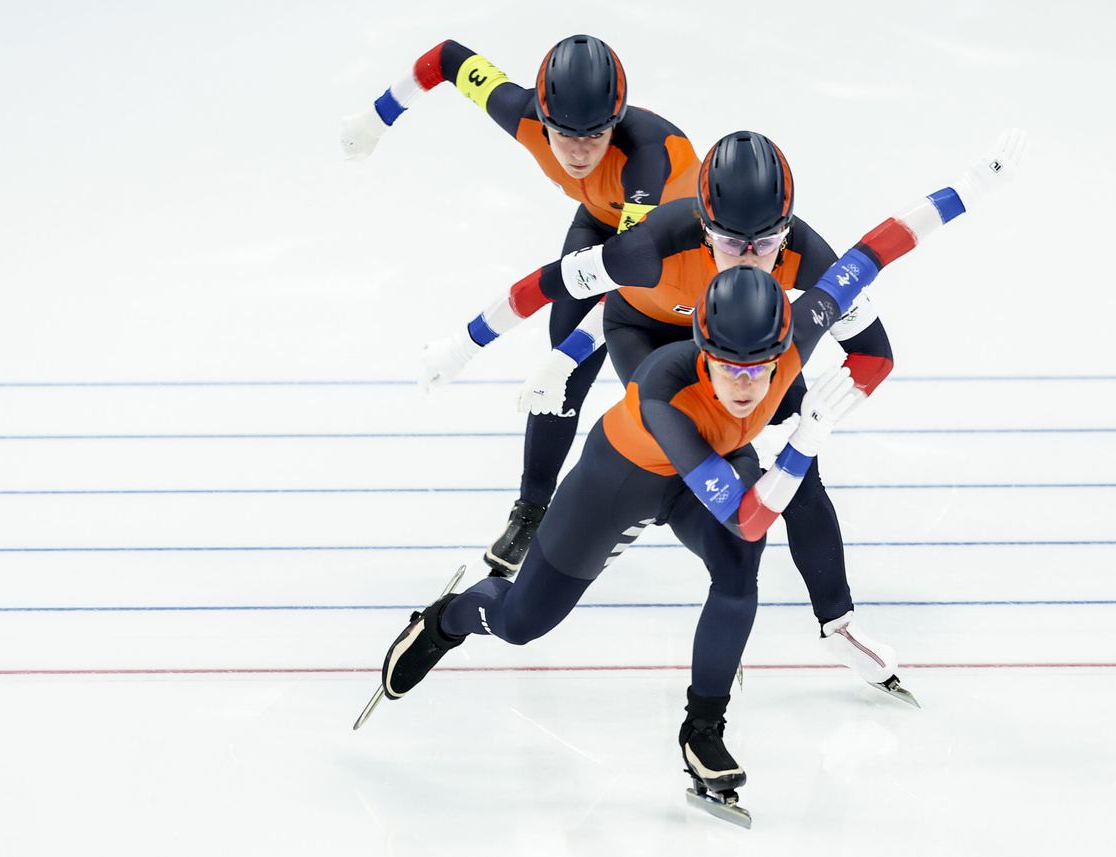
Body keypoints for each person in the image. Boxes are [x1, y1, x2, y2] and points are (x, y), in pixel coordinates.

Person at [363, 129, 1026, 825]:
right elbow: (745, 506)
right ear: (701, 347)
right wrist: (804, 438)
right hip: (624, 475)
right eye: (730, 367)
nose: (747, 385)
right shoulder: (661, 380)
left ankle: (702, 728)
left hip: (706, 459)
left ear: (789, 347)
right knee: (524, 623)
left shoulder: (799, 326)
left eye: (763, 367)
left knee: (741, 565)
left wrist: (975, 185)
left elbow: (881, 249)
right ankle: (448, 619)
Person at [420, 130, 908, 699]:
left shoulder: (806, 253)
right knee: (706, 444)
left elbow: (874, 349)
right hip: (649, 336)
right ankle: (645, 537)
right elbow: (559, 285)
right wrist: (471, 345)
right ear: (703, 226)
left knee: (799, 472)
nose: (749, 257)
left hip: (750, 344)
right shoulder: (651, 245)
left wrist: (826, 410)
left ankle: (835, 623)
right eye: (730, 241)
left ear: (788, 229)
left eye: (767, 241)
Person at [340, 35, 699, 574]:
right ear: (542, 117)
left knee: (666, 392)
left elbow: (626, 281)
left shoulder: (646, 162)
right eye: (563, 135)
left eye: (596, 135)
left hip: (676, 258)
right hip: (604, 226)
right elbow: (447, 59)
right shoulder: (520, 112)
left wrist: (560, 355)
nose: (578, 152)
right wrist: (375, 118)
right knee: (562, 382)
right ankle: (531, 512)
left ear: (617, 121)